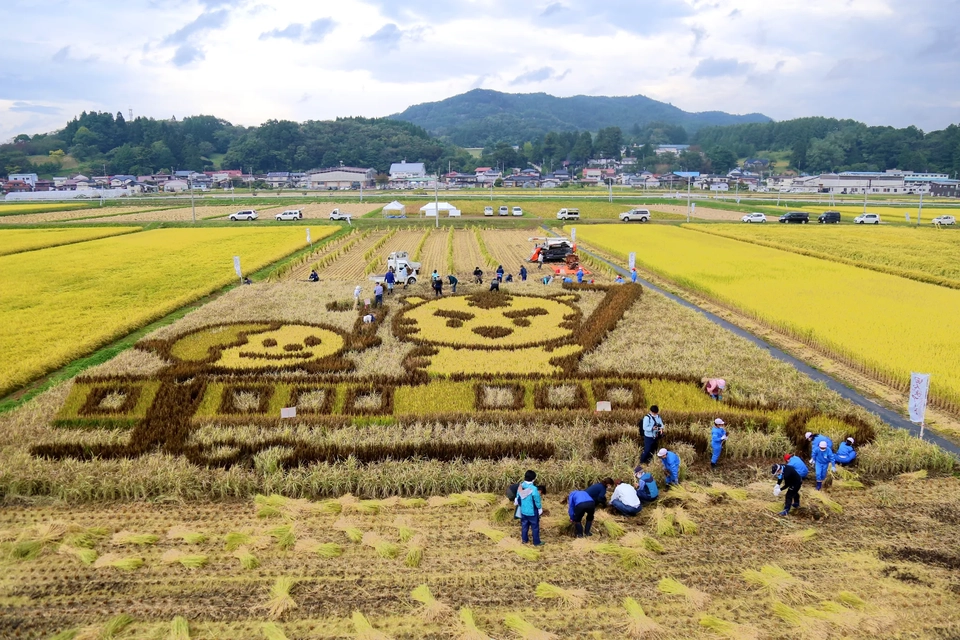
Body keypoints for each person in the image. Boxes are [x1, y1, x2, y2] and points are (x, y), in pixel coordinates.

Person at [514, 470, 544, 546]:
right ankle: (536, 542)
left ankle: (524, 540)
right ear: (533, 479)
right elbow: (537, 499)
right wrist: (540, 508)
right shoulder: (533, 489)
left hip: (523, 511)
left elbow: (518, 496)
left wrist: (516, 501)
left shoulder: (521, 486)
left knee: (524, 526)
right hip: (532, 512)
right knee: (535, 527)